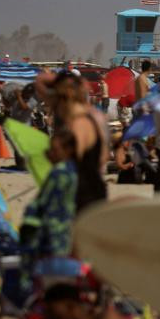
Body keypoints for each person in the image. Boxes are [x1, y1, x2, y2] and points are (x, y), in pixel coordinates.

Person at [19, 129, 79, 289]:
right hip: (63, 234)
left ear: (68, 150)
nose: (49, 154)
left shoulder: (60, 173)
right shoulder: (73, 170)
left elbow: (44, 204)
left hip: (50, 235)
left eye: (54, 150)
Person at [48, 70, 109, 211]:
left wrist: (55, 153)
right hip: (94, 190)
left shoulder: (78, 124)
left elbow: (70, 163)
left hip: (82, 195)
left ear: (67, 95)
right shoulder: (94, 117)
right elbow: (103, 157)